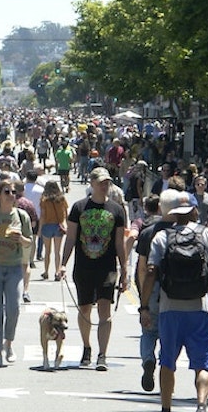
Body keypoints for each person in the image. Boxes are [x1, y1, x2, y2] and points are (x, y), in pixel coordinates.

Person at [140, 192, 208, 412]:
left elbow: (151, 272)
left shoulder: (162, 238)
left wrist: (144, 306)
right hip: (201, 308)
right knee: (203, 363)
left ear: (172, 214)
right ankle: (201, 404)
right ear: (195, 211)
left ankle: (166, 407)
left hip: (169, 308)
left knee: (167, 362)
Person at [58, 167, 128, 371]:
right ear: (92, 184)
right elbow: (70, 238)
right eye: (101, 182)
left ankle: (102, 354)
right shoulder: (79, 208)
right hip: (84, 266)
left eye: (107, 182)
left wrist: (124, 269)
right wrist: (63, 263)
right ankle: (87, 346)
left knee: (104, 309)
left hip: (107, 267)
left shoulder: (116, 210)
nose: (105, 186)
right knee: (85, 308)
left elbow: (119, 242)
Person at [0, 179, 33, 367]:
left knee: (13, 309)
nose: (11, 195)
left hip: (14, 267)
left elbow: (29, 242)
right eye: (6, 191)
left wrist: (21, 238)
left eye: (13, 192)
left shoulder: (21, 216)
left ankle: (9, 343)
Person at [134, 192, 172, 392]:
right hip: (176, 291)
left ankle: (148, 359)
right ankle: (167, 368)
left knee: (148, 330)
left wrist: (143, 301)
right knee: (170, 334)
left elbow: (142, 269)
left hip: (153, 286)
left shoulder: (148, 233)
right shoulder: (180, 231)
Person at [15, 180, 38, 303]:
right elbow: (34, 222)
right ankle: (25, 290)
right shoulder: (28, 204)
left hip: (9, 240)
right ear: (22, 190)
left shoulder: (9, 203)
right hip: (24, 238)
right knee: (25, 265)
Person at [39, 180, 68, 281]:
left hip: (47, 225)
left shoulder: (44, 200)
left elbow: (42, 216)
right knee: (57, 251)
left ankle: (46, 272)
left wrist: (39, 229)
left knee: (47, 251)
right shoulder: (62, 199)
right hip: (58, 226)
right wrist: (67, 225)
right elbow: (66, 212)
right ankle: (57, 271)